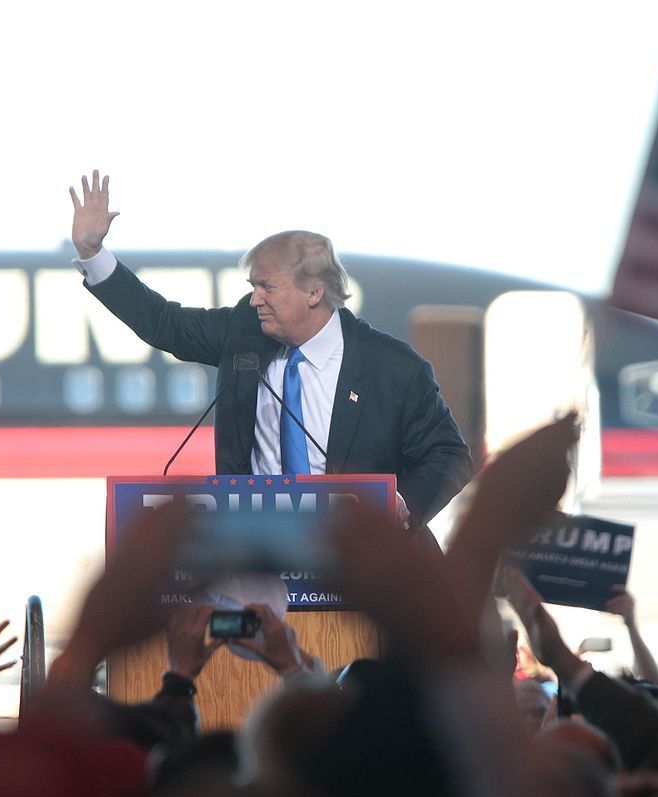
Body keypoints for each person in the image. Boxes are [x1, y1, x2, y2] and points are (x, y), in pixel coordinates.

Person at [68, 170, 474, 528]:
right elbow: (163, 323)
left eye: (268, 287)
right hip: (257, 562)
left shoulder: (392, 367)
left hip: (363, 573)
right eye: (253, 287)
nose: (255, 299)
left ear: (315, 291)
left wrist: (402, 503)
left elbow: (450, 455)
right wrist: (93, 254)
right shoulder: (241, 336)